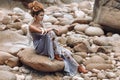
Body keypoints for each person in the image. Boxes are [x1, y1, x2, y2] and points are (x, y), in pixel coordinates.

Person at [28, 1, 88, 76]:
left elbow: (47, 36)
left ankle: (78, 67)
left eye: (43, 15)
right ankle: (56, 53)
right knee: (50, 33)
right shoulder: (31, 26)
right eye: (41, 15)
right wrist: (52, 28)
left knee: (65, 52)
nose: (42, 17)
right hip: (39, 47)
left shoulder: (40, 23)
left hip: (45, 44)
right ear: (35, 16)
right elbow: (42, 32)